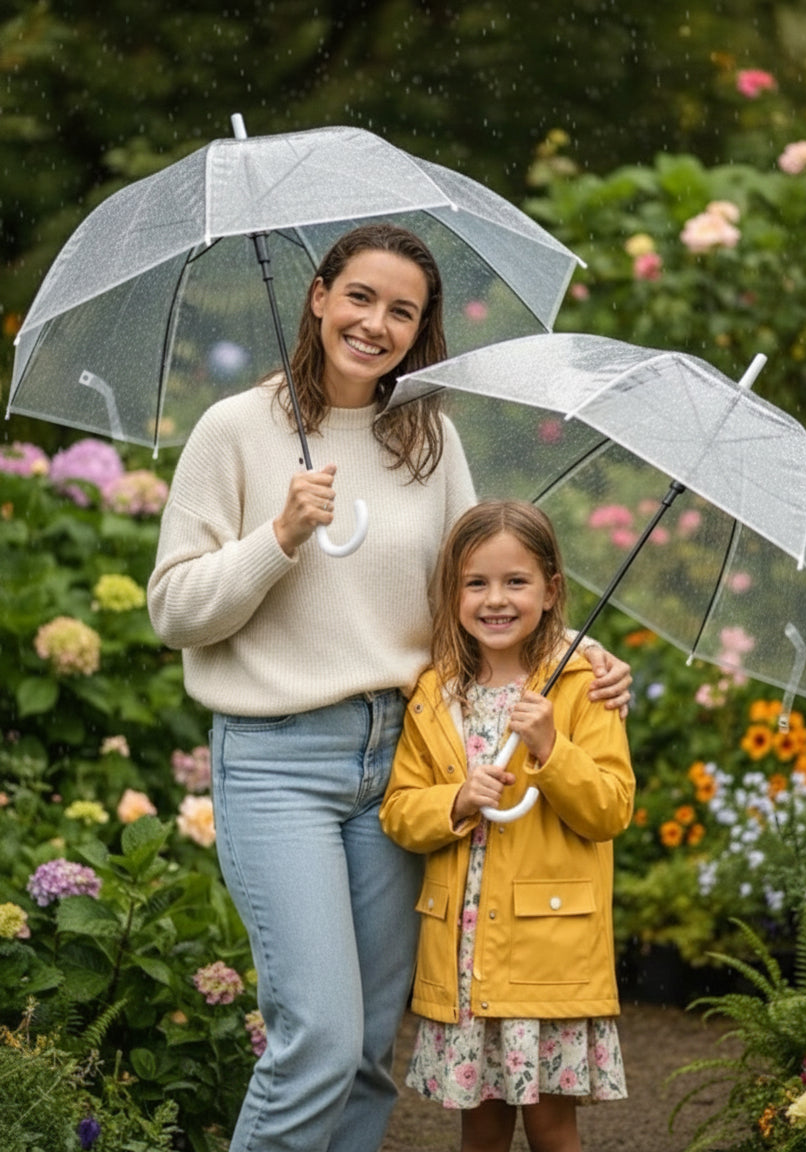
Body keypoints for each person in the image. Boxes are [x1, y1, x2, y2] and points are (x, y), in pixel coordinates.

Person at [147, 223, 632, 1152]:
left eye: (402, 311)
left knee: (371, 1045)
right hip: (281, 760)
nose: (376, 323)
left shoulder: (429, 439)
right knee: (318, 1041)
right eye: (360, 297)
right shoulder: (237, 431)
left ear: (421, 331)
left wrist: (582, 651)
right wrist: (278, 537)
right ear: (320, 296)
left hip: (407, 762)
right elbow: (174, 611)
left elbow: (482, 585)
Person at [380, 499, 635, 1152]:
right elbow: (401, 812)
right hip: (466, 960)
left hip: (546, 951)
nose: (496, 600)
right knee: (481, 1128)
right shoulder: (436, 695)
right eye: (476, 583)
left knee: (552, 1127)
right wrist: (458, 800)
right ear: (453, 592)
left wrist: (552, 748)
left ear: (550, 591)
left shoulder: (581, 689)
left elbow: (609, 808)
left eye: (516, 582)